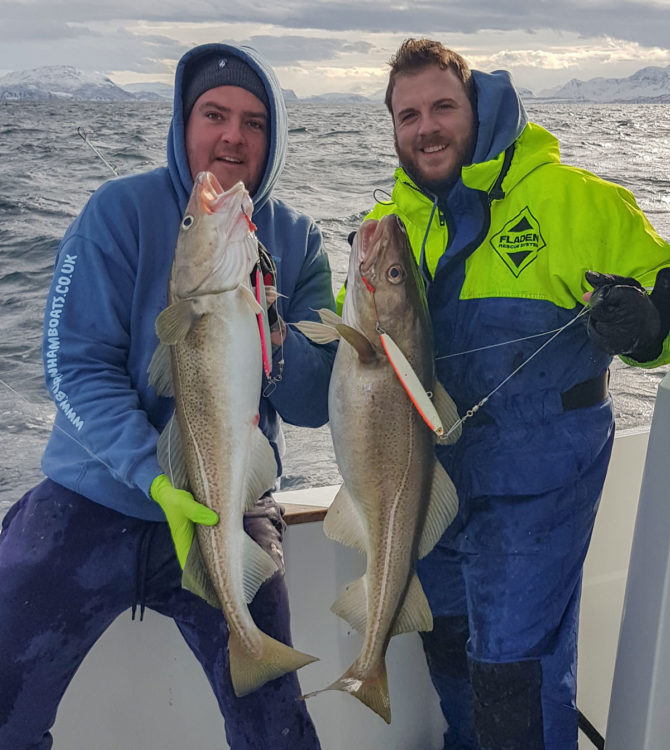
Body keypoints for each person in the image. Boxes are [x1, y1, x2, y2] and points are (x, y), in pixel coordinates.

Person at [0, 42, 335, 750]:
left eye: (253, 121)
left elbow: (312, 404)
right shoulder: (117, 212)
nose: (232, 136)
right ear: (183, 124)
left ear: (271, 138)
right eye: (213, 114)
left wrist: (269, 331)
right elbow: (73, 366)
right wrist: (154, 478)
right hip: (98, 495)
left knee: (277, 723)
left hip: (227, 501)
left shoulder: (298, 239)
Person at [351, 38, 670, 750]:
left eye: (442, 106)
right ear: (394, 129)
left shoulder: (572, 200)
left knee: (513, 678)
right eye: (408, 115)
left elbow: (665, 292)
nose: (426, 127)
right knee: (452, 653)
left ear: (477, 106)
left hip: (540, 488)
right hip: (437, 490)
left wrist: (650, 326)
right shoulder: (397, 227)